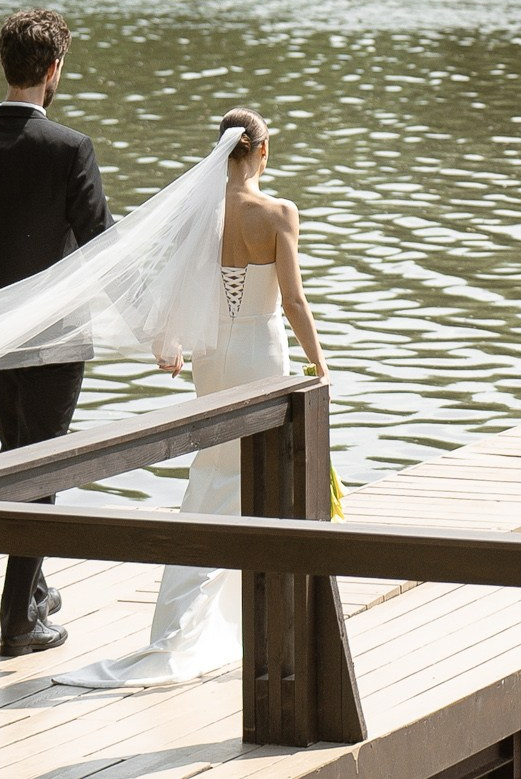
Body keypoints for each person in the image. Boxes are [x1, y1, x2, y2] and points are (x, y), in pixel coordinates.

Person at [57, 107, 329, 689]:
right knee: (256, 482)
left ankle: (189, 622)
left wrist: (171, 341)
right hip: (261, 351)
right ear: (262, 150)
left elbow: (180, 285)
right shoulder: (279, 213)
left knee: (212, 477)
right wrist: (320, 363)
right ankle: (238, 622)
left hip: (211, 357)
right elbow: (295, 301)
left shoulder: (199, 216)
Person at [0, 7, 115, 658]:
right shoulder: (69, 148)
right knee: (38, 475)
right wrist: (157, 318)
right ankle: (19, 620)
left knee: (17, 460)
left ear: (7, 65)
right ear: (53, 70)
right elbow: (103, 245)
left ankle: (34, 585)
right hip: (57, 340)